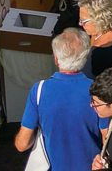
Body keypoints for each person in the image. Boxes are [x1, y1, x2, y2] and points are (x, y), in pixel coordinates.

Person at [15, 28, 105, 171]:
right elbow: (107, 140)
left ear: (56, 59)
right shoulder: (99, 91)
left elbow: (22, 144)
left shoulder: (39, 90)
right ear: (86, 57)